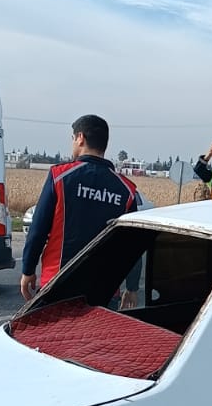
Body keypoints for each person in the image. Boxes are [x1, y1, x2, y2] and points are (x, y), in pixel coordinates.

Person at [20, 115, 139, 300]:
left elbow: (38, 229)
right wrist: (132, 287)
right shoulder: (126, 190)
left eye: (73, 138)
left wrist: (28, 269)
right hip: (104, 288)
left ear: (80, 138)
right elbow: (131, 245)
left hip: (57, 282)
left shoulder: (60, 176)